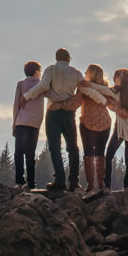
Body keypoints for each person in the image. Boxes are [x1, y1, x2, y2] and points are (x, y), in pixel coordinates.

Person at [21, 46, 83, 191]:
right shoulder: (75, 72)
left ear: (56, 58)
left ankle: (59, 181)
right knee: (73, 147)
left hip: (53, 112)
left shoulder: (50, 70)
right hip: (69, 113)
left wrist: (27, 96)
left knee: (54, 147)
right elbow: (84, 88)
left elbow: (43, 86)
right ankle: (74, 182)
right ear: (68, 59)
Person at [77, 64, 115, 194]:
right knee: (100, 153)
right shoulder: (105, 88)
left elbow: (77, 101)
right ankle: (101, 184)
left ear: (91, 73)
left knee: (88, 153)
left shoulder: (84, 86)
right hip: (104, 122)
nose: (85, 73)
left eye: (87, 71)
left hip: (88, 121)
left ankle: (90, 185)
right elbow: (111, 104)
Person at [11, 60, 45, 188]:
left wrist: (14, 122)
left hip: (21, 121)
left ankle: (19, 180)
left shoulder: (20, 84)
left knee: (19, 152)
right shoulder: (42, 85)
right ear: (36, 72)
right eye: (40, 71)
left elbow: (16, 105)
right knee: (31, 153)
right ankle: (31, 182)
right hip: (35, 124)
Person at [107, 68, 128, 190]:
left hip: (121, 128)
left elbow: (104, 91)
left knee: (109, 155)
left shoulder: (117, 92)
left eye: (115, 77)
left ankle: (106, 186)